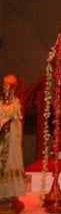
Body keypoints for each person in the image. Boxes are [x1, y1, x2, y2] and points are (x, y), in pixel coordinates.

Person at [0, 74, 26, 204]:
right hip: (1, 139)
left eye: (9, 86)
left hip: (10, 141)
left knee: (9, 165)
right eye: (5, 85)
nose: (6, 89)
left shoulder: (15, 104)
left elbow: (17, 122)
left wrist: (9, 125)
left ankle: (9, 194)